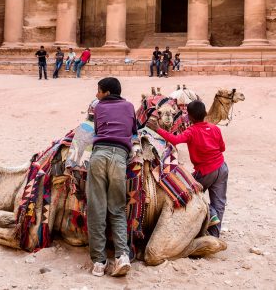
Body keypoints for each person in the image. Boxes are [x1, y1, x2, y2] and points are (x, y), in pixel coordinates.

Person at [147, 100, 227, 238]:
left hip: (205, 171)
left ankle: (207, 218)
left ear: (189, 117)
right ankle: (214, 236)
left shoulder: (191, 131)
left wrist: (157, 129)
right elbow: (222, 148)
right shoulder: (215, 128)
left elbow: (175, 140)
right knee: (219, 202)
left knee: (187, 192)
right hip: (222, 167)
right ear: (206, 113)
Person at [87, 77, 137, 278]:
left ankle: (99, 262)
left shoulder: (98, 107)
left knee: (96, 208)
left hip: (99, 155)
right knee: (117, 208)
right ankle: (122, 256)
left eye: (98, 91)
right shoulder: (130, 106)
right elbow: (133, 131)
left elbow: (96, 130)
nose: (96, 94)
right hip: (120, 158)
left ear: (106, 93)